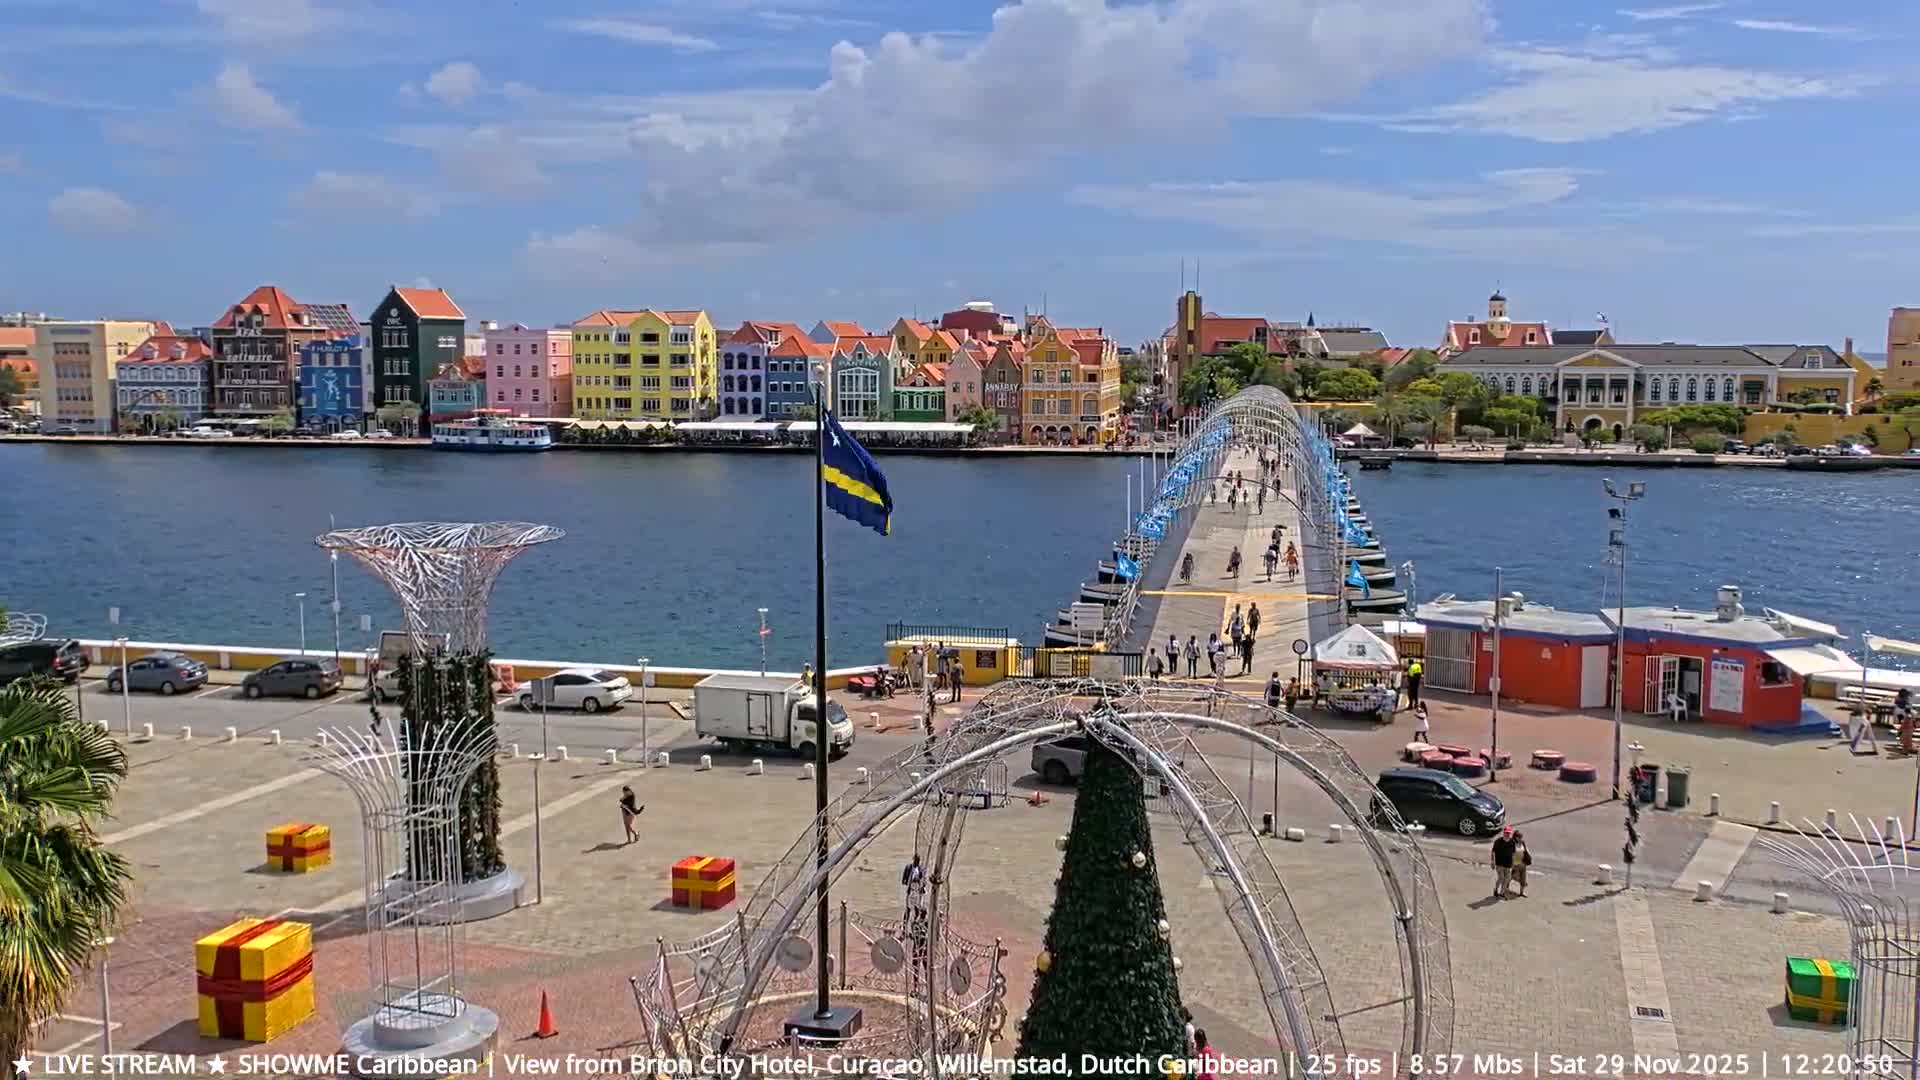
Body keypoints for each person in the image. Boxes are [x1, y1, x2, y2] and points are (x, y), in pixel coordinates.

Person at [1490, 826, 1517, 899]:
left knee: (1507, 878)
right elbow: (1493, 852)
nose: (1507, 834)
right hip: (1499, 863)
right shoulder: (1498, 841)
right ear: (1503, 833)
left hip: (1508, 864)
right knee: (1501, 878)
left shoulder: (1512, 842)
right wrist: (1492, 861)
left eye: (1508, 833)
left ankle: (1502, 893)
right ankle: (1495, 889)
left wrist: (1513, 863)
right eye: (1506, 833)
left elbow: (1513, 853)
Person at [1511, 830, 1533, 897]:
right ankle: (1505, 888)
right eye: (1519, 837)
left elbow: (1526, 850)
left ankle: (1521, 892)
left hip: (1523, 864)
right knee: (1514, 877)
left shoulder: (1522, 843)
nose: (1521, 839)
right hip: (1515, 865)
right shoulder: (1511, 843)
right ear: (1515, 837)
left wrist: (1528, 856)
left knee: (1523, 878)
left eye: (1521, 837)